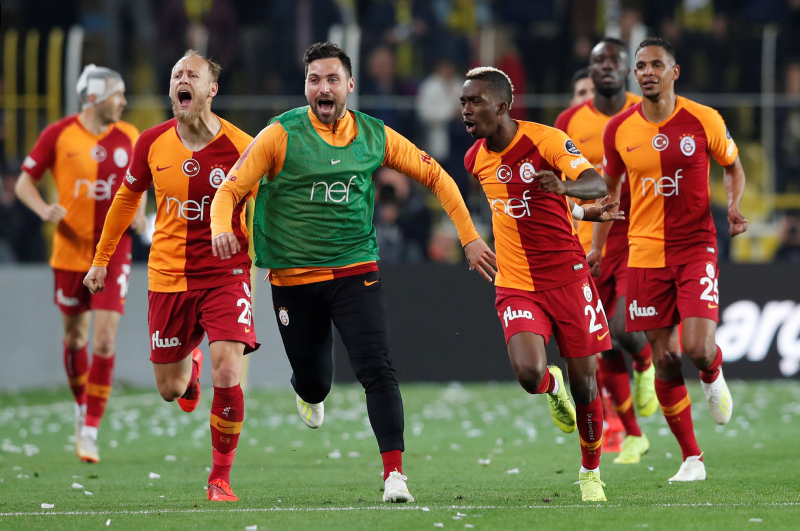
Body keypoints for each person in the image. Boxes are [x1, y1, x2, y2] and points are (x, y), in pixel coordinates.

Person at [210, 41, 496, 503]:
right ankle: (308, 392)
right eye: (314, 80)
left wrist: (469, 236)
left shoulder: (373, 135)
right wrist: (221, 227)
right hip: (294, 280)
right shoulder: (279, 135)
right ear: (306, 86)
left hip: (355, 269)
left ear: (349, 85)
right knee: (315, 382)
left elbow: (436, 176)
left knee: (377, 368)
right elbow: (229, 190)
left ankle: (395, 475)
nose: (323, 88)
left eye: (332, 79)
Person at [83, 51, 258, 501]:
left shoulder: (242, 147)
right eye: (176, 73)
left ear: (211, 89)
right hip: (168, 276)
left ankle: (220, 478)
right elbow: (126, 200)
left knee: (228, 369)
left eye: (191, 74)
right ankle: (190, 367)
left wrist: (267, 258)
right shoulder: (151, 142)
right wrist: (101, 259)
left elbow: (264, 208)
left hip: (225, 273)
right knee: (170, 389)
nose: (181, 78)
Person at [461, 66, 620, 502]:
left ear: (501, 106)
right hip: (516, 282)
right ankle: (552, 386)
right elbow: (514, 206)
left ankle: (590, 473)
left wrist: (567, 189)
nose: (466, 110)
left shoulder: (547, 140)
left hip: (568, 278)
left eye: (475, 101)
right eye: (463, 102)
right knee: (530, 374)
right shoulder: (474, 159)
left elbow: (595, 183)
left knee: (586, 385)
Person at [594, 37, 747, 482]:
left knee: (697, 348)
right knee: (664, 359)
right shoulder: (619, 130)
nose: (647, 72)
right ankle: (691, 458)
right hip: (643, 254)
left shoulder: (704, 119)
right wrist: (598, 246)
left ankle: (712, 372)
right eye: (641, 65)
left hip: (696, 246)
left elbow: (733, 165)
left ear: (674, 72)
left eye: (657, 65)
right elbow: (609, 192)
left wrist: (733, 206)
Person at [14, 65, 143, 463]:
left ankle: (89, 428)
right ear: (94, 97)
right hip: (70, 253)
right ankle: (80, 404)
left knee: (104, 340)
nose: (123, 102)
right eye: (117, 94)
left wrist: (140, 214)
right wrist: (43, 209)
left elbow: (141, 183)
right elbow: (23, 182)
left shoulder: (130, 136)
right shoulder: (59, 134)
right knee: (75, 340)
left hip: (114, 251)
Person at [555, 38, 656, 466]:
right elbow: (559, 182)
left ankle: (646, 363)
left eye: (615, 61)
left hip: (635, 238)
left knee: (622, 328)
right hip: (584, 245)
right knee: (602, 345)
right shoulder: (568, 123)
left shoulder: (642, 110)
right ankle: (632, 433)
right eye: (580, 89)